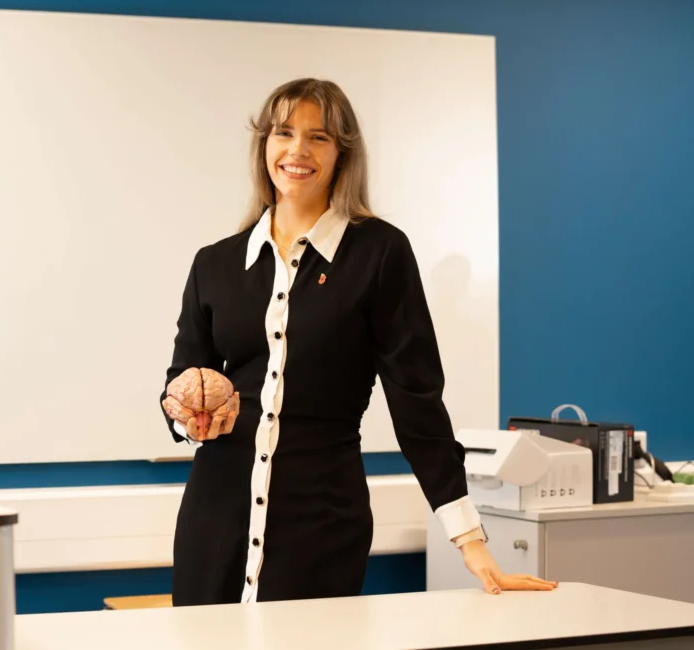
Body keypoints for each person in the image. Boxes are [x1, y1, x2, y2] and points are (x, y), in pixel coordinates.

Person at [159, 77, 557, 606]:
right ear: (265, 147)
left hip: (322, 524)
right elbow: (181, 380)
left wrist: (471, 542)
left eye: (318, 137)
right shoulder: (215, 263)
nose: (298, 150)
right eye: (284, 133)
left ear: (343, 154)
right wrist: (186, 412)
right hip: (214, 518)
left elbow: (417, 404)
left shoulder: (380, 254)